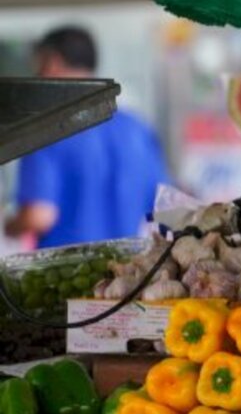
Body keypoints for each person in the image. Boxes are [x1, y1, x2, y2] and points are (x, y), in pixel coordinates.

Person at [6, 27, 170, 249]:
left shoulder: (48, 129)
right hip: (127, 275)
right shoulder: (138, 129)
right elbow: (165, 207)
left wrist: (9, 225)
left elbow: (39, 215)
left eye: (37, 65)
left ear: (52, 62)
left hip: (66, 276)